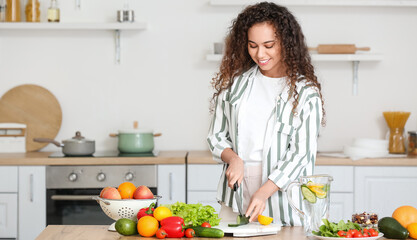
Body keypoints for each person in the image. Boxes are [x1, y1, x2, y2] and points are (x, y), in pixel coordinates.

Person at [207, 2, 325, 226]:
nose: (260, 54)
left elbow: (300, 155)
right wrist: (234, 159)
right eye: (253, 45)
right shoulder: (235, 86)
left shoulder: (306, 93)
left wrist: (263, 192)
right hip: (235, 193)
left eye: (269, 45)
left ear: (286, 43)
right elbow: (216, 137)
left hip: (281, 194)